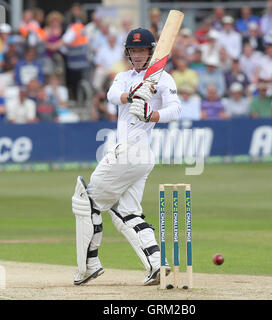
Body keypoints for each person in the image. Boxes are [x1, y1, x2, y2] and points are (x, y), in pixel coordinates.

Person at [71, 28, 180, 286]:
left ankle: (89, 264)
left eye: (143, 50)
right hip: (135, 156)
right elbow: (111, 96)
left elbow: (175, 110)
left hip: (133, 151)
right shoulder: (123, 77)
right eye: (134, 51)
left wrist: (150, 114)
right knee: (129, 212)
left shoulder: (163, 79)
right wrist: (130, 95)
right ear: (129, 53)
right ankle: (157, 265)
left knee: (86, 201)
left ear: (151, 52)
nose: (138, 55)